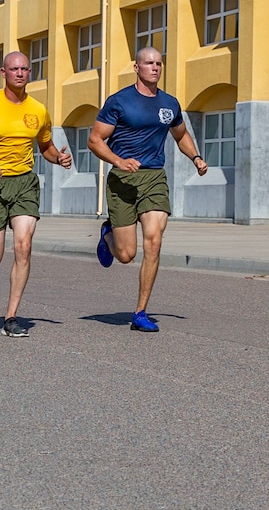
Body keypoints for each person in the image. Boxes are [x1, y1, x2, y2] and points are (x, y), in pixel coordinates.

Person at [87, 46, 208, 333]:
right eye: (149, 63)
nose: (155, 67)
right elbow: (95, 140)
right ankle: (109, 237)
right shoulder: (119, 102)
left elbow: (181, 134)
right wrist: (118, 160)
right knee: (127, 254)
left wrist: (196, 157)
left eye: (159, 63)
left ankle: (140, 312)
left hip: (153, 176)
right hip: (122, 179)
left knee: (153, 241)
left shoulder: (169, 104)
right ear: (137, 67)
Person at [0, 51, 72, 338]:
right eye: (14, 69)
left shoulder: (39, 110)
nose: (20, 73)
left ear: (29, 73)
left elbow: (45, 147)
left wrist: (59, 159)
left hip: (24, 185)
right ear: (3, 73)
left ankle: (11, 317)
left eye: (25, 69)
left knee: (23, 245)